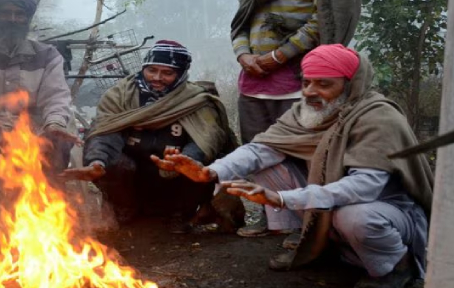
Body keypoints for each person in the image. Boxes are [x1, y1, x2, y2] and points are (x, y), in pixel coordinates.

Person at [152, 44, 433, 288]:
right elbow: (260, 150)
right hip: (325, 200)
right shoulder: (306, 111)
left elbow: (364, 187)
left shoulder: (378, 118)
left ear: (350, 86)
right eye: (307, 82)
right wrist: (210, 172)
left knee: (356, 218)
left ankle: (396, 267)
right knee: (265, 164)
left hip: (383, 208)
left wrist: (283, 199)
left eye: (324, 84)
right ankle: (311, 243)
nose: (310, 92)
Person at [229, 0, 362, 237]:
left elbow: (323, 20)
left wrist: (277, 57)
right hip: (253, 82)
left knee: (305, 152)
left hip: (299, 80)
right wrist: (244, 55)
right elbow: (242, 20)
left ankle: (306, 224)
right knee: (257, 150)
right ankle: (266, 215)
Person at [62, 41, 243, 231]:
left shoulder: (196, 100)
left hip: (174, 179)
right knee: (113, 162)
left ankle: (181, 214)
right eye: (152, 70)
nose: (157, 78)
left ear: (181, 74)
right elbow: (105, 132)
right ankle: (124, 209)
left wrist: (184, 160)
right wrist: (97, 161)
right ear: (143, 68)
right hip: (132, 175)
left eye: (167, 73)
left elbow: (208, 140)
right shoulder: (119, 96)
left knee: (198, 165)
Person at [0, 0, 79, 193]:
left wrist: (54, 125)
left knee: (57, 148)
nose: (13, 19)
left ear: (27, 18)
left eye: (19, 14)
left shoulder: (48, 55)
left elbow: (56, 97)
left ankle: (46, 210)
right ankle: (15, 217)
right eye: (5, 13)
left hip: (38, 129)